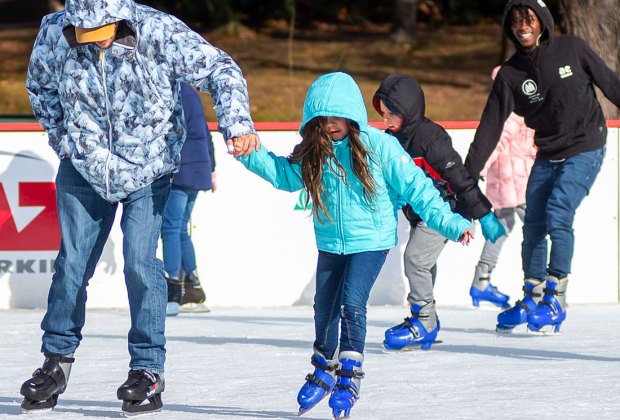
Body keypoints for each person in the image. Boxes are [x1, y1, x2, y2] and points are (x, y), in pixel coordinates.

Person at [20, 0, 258, 415]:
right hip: (84, 164)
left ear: (120, 18)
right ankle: (55, 362)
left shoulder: (158, 30)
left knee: (139, 263)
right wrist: (66, 141)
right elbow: (39, 85)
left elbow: (221, 68)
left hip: (148, 168)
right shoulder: (56, 30)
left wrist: (236, 123)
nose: (92, 44)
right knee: (72, 264)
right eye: (83, 34)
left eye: (101, 35)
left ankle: (147, 370)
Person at [235, 72, 473, 419]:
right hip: (332, 241)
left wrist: (452, 223)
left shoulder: (380, 146)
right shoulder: (316, 151)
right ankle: (323, 367)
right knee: (324, 307)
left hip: (371, 241)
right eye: (323, 119)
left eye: (337, 117)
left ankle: (349, 375)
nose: (331, 125)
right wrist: (250, 154)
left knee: (351, 304)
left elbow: (418, 189)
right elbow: (284, 175)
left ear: (351, 115)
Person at [464, 0, 620, 334]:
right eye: (517, 21)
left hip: (585, 145)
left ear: (542, 21)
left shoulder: (572, 49)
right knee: (533, 222)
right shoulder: (509, 75)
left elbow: (611, 83)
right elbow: (490, 127)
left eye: (529, 19)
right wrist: (464, 177)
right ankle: (533, 295)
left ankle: (556, 298)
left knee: (558, 212)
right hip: (548, 153)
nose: (523, 26)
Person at [371, 73, 506, 352]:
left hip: (448, 211)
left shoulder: (430, 139)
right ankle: (424, 321)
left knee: (415, 260)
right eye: (382, 115)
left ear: (407, 111)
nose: (385, 121)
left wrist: (483, 214)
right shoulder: (391, 140)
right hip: (420, 214)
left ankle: (424, 323)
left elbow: (460, 178)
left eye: (390, 115)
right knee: (424, 263)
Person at [469, 66, 536, 309]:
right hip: (516, 183)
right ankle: (537, 287)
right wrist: (478, 171)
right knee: (537, 228)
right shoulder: (513, 114)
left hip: (506, 182)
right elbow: (494, 144)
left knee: (501, 228)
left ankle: (481, 281)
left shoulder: (508, 111)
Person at [163, 83, 216, 317]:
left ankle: (172, 289)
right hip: (199, 169)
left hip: (181, 169)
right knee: (181, 229)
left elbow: (170, 132)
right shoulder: (192, 94)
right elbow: (206, 134)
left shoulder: (172, 90)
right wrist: (211, 169)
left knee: (171, 228)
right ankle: (193, 288)